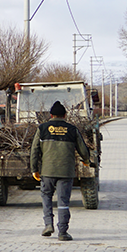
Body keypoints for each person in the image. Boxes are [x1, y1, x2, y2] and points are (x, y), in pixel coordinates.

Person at [30, 101, 90, 241]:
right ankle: (62, 232)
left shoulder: (42, 128)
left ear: (51, 115)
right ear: (65, 115)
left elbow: (34, 150)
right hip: (66, 172)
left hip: (47, 171)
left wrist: (34, 169)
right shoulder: (72, 129)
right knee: (63, 202)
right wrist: (86, 160)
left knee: (46, 198)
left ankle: (48, 225)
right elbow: (83, 150)